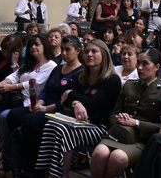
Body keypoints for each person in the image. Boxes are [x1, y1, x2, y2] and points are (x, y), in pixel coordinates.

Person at [35, 40, 122, 177]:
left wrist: (72, 95)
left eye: (94, 51)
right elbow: (66, 100)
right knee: (51, 125)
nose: (89, 54)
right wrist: (76, 102)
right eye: (87, 51)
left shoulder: (112, 80)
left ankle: (59, 174)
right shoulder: (82, 76)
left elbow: (93, 105)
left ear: (104, 55)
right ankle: (46, 171)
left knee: (63, 130)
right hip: (77, 122)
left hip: (98, 127)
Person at [2, 35, 83, 174]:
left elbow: (68, 100)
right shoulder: (58, 69)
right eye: (62, 49)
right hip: (44, 105)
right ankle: (18, 159)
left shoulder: (80, 72)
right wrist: (38, 104)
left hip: (60, 111)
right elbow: (45, 91)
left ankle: (32, 166)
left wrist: (45, 108)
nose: (64, 53)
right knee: (13, 115)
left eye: (68, 49)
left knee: (29, 122)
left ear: (78, 51)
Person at [90, 51, 161, 178]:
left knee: (117, 157)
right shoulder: (129, 85)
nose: (140, 67)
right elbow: (113, 114)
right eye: (139, 63)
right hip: (119, 135)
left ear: (157, 67)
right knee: (99, 153)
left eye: (145, 63)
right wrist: (120, 119)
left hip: (142, 141)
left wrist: (136, 123)